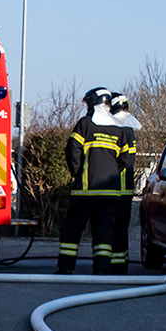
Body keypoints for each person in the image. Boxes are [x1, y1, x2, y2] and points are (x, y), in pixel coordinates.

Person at [57, 87, 122, 274]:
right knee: (103, 231)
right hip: (110, 191)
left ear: (93, 102)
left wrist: (77, 172)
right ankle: (102, 268)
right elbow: (126, 159)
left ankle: (66, 267)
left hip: (85, 188)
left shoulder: (86, 124)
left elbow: (72, 150)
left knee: (72, 229)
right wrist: (111, 173)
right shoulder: (119, 128)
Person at [109, 92, 141, 274]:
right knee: (121, 228)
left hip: (114, 189)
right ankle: (120, 262)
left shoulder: (118, 130)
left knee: (112, 227)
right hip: (125, 190)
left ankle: (113, 263)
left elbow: (124, 161)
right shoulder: (129, 131)